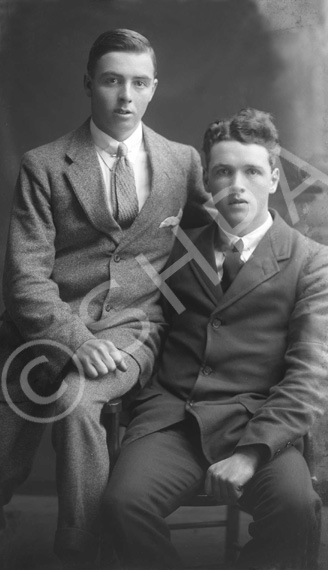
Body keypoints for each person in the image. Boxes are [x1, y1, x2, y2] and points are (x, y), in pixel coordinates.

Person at [0, 29, 210, 566]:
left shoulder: (182, 162)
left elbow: (216, 235)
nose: (125, 97)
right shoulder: (44, 165)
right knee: (9, 430)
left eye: (139, 83)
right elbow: (25, 278)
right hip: (44, 324)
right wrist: (72, 337)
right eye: (113, 80)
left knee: (79, 398)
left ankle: (79, 547)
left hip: (135, 329)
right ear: (88, 82)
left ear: (154, 88)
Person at [102, 108, 328, 570]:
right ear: (208, 182)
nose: (237, 184)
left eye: (252, 171)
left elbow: (315, 370)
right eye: (223, 172)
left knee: (297, 510)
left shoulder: (310, 260)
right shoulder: (174, 248)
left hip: (258, 423)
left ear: (273, 177)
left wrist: (252, 453)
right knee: (121, 504)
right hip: (172, 419)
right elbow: (137, 321)